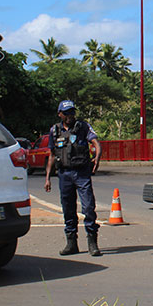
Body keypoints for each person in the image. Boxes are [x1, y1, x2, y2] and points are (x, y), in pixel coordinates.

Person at [44, 100, 103, 256]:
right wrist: (47, 177)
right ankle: (71, 243)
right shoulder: (54, 131)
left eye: (72, 112)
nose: (70, 116)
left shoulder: (83, 127)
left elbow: (96, 142)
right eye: (67, 113)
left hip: (82, 173)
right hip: (64, 175)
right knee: (68, 210)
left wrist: (97, 157)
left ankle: (92, 242)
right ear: (60, 114)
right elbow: (51, 155)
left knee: (88, 207)